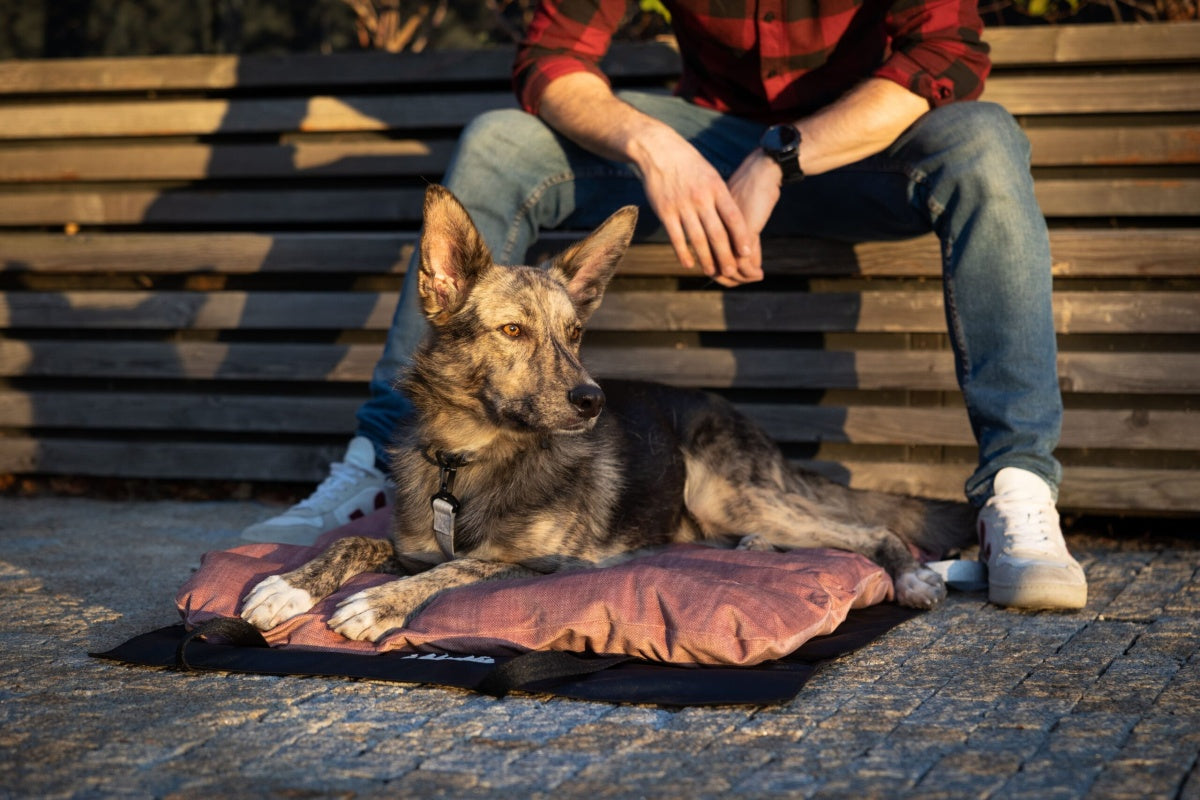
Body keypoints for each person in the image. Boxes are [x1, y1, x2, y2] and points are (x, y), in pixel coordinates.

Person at [243, 0, 1087, 609]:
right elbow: (550, 57)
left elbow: (945, 55)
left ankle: (1016, 488)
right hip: (707, 148)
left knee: (986, 139)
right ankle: (375, 461)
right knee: (499, 143)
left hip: (863, 143)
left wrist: (782, 157)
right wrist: (653, 144)